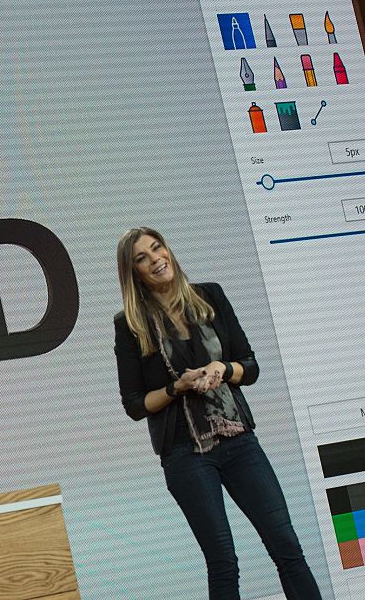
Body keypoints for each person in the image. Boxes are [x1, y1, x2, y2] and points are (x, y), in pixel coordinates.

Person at [113, 227, 321, 600]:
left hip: (239, 441)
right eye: (142, 258)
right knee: (223, 561)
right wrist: (176, 387)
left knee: (286, 546)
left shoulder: (210, 296)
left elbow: (249, 366)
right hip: (185, 454)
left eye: (157, 248)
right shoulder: (129, 325)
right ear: (134, 273)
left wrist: (223, 368)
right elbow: (134, 404)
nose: (155, 259)